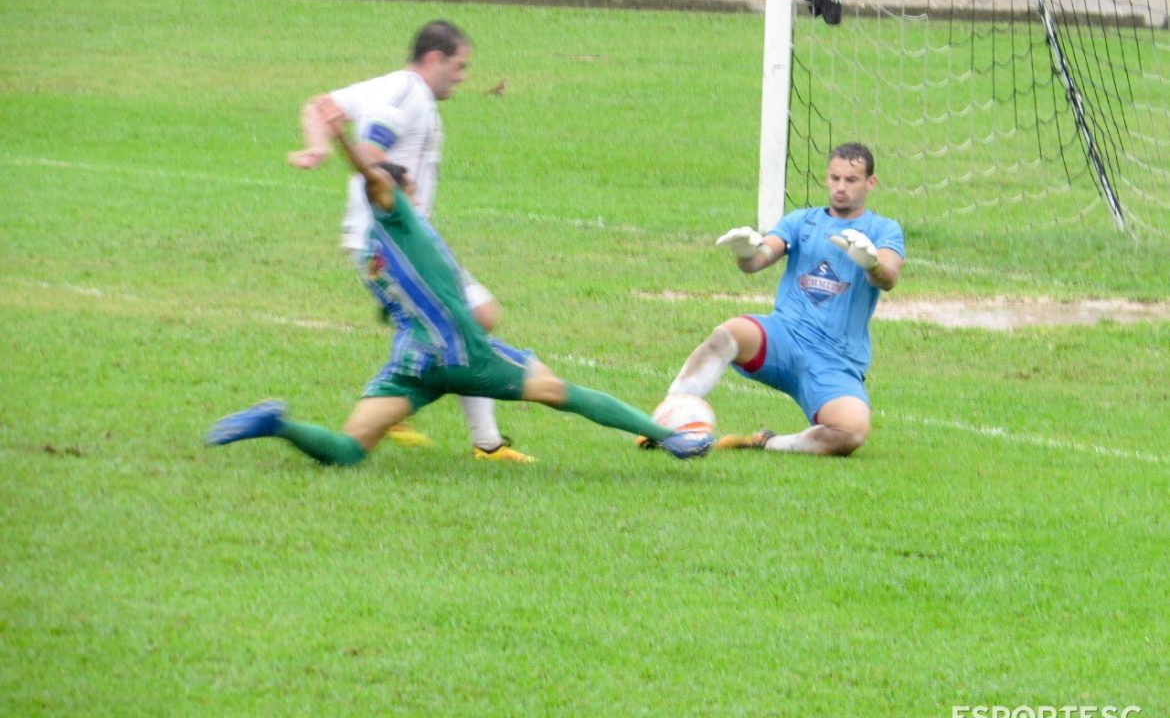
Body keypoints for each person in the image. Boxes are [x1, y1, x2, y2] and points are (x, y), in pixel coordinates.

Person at [207, 118, 715, 464]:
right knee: (564, 393)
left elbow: (394, 307)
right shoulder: (400, 217)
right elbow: (373, 179)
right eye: (399, 190)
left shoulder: (369, 250)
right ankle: (672, 438)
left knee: (351, 449)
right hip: (463, 355)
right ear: (402, 193)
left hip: (412, 364)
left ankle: (279, 425)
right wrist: (345, 142)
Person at [287, 19, 530, 462]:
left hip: (392, 242)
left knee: (453, 326)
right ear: (434, 59)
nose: (463, 76)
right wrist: (376, 174)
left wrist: (318, 147)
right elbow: (372, 147)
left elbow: (318, 105)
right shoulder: (407, 94)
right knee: (473, 320)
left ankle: (443, 425)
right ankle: (479, 440)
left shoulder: (387, 85)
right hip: (393, 243)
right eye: (459, 65)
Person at [662, 142, 904, 456]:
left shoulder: (884, 229)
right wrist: (746, 253)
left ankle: (769, 443)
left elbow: (888, 276)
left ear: (870, 183)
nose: (840, 187)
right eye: (835, 178)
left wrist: (871, 263)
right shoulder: (802, 221)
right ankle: (666, 423)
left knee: (851, 432)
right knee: (728, 334)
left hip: (835, 362)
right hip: (785, 338)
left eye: (851, 180)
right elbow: (760, 259)